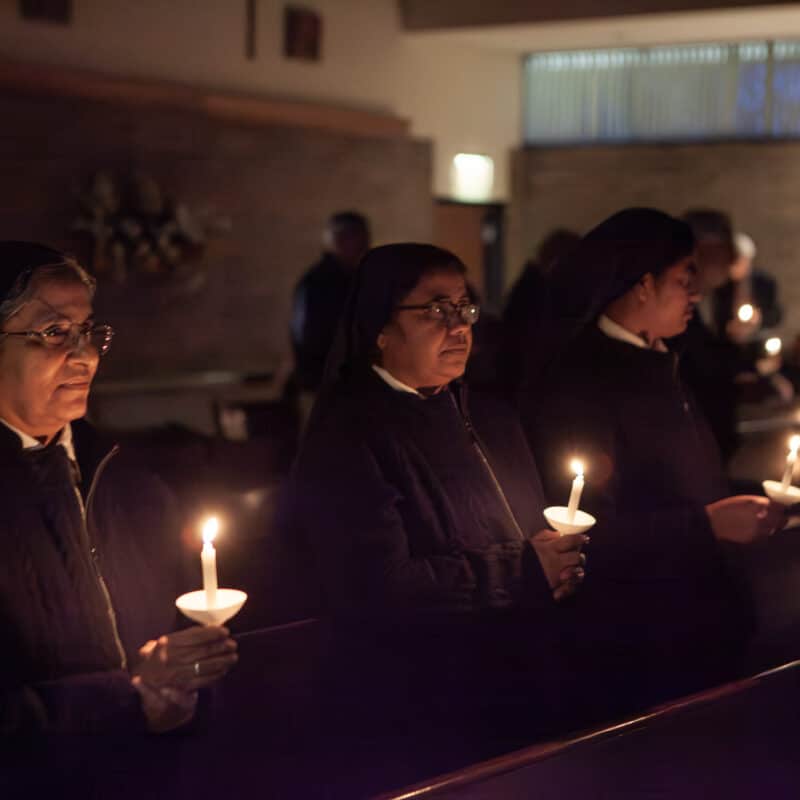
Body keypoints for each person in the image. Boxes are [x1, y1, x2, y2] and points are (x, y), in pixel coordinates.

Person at [283, 243, 588, 759]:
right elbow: (377, 587)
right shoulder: (350, 435)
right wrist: (523, 570)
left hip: (520, 682)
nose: (460, 327)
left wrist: (558, 564)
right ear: (380, 327)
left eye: (465, 308)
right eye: (436, 311)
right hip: (427, 706)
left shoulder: (490, 416)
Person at [523, 209, 787, 712]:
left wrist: (754, 497)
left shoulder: (661, 359)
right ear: (643, 285)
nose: (697, 293)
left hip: (701, 624)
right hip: (642, 641)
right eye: (685, 278)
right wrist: (706, 525)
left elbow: (686, 479)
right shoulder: (582, 380)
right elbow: (587, 530)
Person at [0, 242, 238, 738]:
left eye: (88, 332)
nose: (84, 356)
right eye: (54, 333)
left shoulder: (129, 483)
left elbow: (178, 630)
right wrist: (123, 702)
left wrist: (183, 683)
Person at [289, 211, 371, 399]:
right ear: (339, 240)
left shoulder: (356, 279)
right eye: (358, 239)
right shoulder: (318, 284)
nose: (365, 247)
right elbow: (310, 337)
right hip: (326, 385)